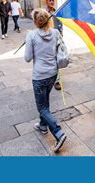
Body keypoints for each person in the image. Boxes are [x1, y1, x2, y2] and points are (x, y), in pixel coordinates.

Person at [24, 8, 67, 153]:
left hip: (40, 76)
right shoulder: (55, 32)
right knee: (45, 101)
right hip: (52, 74)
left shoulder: (31, 35)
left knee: (42, 106)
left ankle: (58, 132)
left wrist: (29, 41)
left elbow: (27, 58)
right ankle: (43, 126)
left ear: (36, 21)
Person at [46, 0, 63, 90]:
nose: (52, 2)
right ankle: (50, 77)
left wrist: (61, 34)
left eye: (53, 0)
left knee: (57, 59)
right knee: (49, 59)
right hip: (47, 39)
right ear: (46, 2)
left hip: (56, 39)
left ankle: (57, 80)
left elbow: (60, 23)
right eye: (50, 0)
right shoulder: (44, 13)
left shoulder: (57, 12)